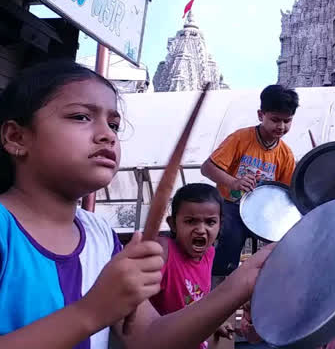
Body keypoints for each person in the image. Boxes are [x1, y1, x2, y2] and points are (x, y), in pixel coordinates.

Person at [0, 60, 273, 349]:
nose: (107, 134)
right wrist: (90, 312)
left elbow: (150, 337)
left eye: (114, 124)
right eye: (80, 117)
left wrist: (240, 283)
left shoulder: (100, 235)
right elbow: (97, 314)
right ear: (16, 137)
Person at [201, 84, 298, 277]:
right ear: (261, 115)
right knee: (231, 237)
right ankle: (218, 283)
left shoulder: (286, 154)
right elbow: (207, 168)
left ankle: (263, 286)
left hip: (261, 212)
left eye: (287, 121)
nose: (281, 126)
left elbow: (286, 192)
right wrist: (233, 183)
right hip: (230, 204)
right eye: (275, 120)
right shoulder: (240, 138)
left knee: (281, 243)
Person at [149, 183, 232, 348]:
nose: (201, 229)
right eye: (190, 221)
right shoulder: (164, 252)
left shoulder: (209, 254)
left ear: (220, 225)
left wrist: (212, 324)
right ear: (173, 224)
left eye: (210, 222)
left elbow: (198, 299)